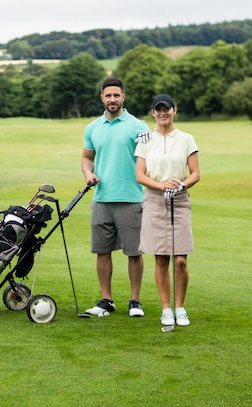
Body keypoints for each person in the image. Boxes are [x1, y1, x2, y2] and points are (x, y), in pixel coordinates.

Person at [81, 77, 150, 318]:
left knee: (134, 252)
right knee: (102, 251)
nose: (112, 99)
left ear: (123, 97)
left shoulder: (139, 127)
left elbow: (148, 160)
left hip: (131, 198)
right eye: (108, 95)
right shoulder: (92, 128)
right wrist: (88, 173)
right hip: (101, 198)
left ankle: (135, 301)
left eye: (116, 95)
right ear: (101, 97)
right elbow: (87, 157)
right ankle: (106, 301)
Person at [135, 94, 200, 326]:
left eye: (167, 109)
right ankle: (166, 308)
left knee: (180, 259)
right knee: (161, 258)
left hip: (180, 201)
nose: (163, 113)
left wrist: (180, 185)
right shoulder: (145, 139)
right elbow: (140, 175)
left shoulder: (186, 139)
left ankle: (180, 308)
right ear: (153, 113)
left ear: (174, 110)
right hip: (154, 200)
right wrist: (162, 186)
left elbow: (195, 173)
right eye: (158, 109)